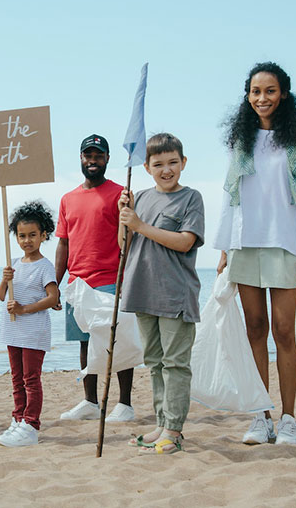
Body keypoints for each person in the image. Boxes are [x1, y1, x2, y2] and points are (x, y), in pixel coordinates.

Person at [215, 62, 296, 447]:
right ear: (248, 96)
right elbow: (230, 200)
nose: (262, 98)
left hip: (286, 244)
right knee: (254, 330)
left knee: (283, 332)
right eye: (255, 92)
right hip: (246, 244)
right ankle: (260, 418)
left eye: (270, 91)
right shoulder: (240, 141)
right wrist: (226, 250)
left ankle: (290, 419)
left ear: (284, 95)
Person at [118, 133, 205, 455]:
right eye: (158, 164)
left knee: (175, 363)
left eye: (172, 163)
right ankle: (161, 423)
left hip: (175, 293)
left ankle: (174, 429)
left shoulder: (191, 198)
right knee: (154, 362)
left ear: (183, 163)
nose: (166, 170)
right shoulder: (139, 197)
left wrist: (139, 224)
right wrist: (123, 217)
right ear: (146, 167)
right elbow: (123, 246)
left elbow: (185, 242)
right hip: (142, 290)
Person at [56, 134, 135, 422]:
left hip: (111, 278)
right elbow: (63, 243)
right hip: (77, 282)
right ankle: (90, 402)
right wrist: (55, 283)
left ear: (107, 159)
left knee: (118, 339)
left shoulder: (119, 194)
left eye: (98, 156)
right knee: (85, 343)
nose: (93, 160)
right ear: (81, 158)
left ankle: (124, 404)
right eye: (88, 155)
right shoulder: (68, 199)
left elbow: (130, 237)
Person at [0, 201, 59, 447]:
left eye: (32, 235)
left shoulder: (44, 266)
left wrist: (24, 309)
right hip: (13, 330)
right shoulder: (15, 264)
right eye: (22, 236)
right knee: (16, 378)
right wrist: (4, 280)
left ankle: (31, 425)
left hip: (33, 332)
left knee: (31, 378)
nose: (27, 241)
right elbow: (2, 296)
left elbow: (53, 298)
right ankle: (18, 419)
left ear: (43, 235)